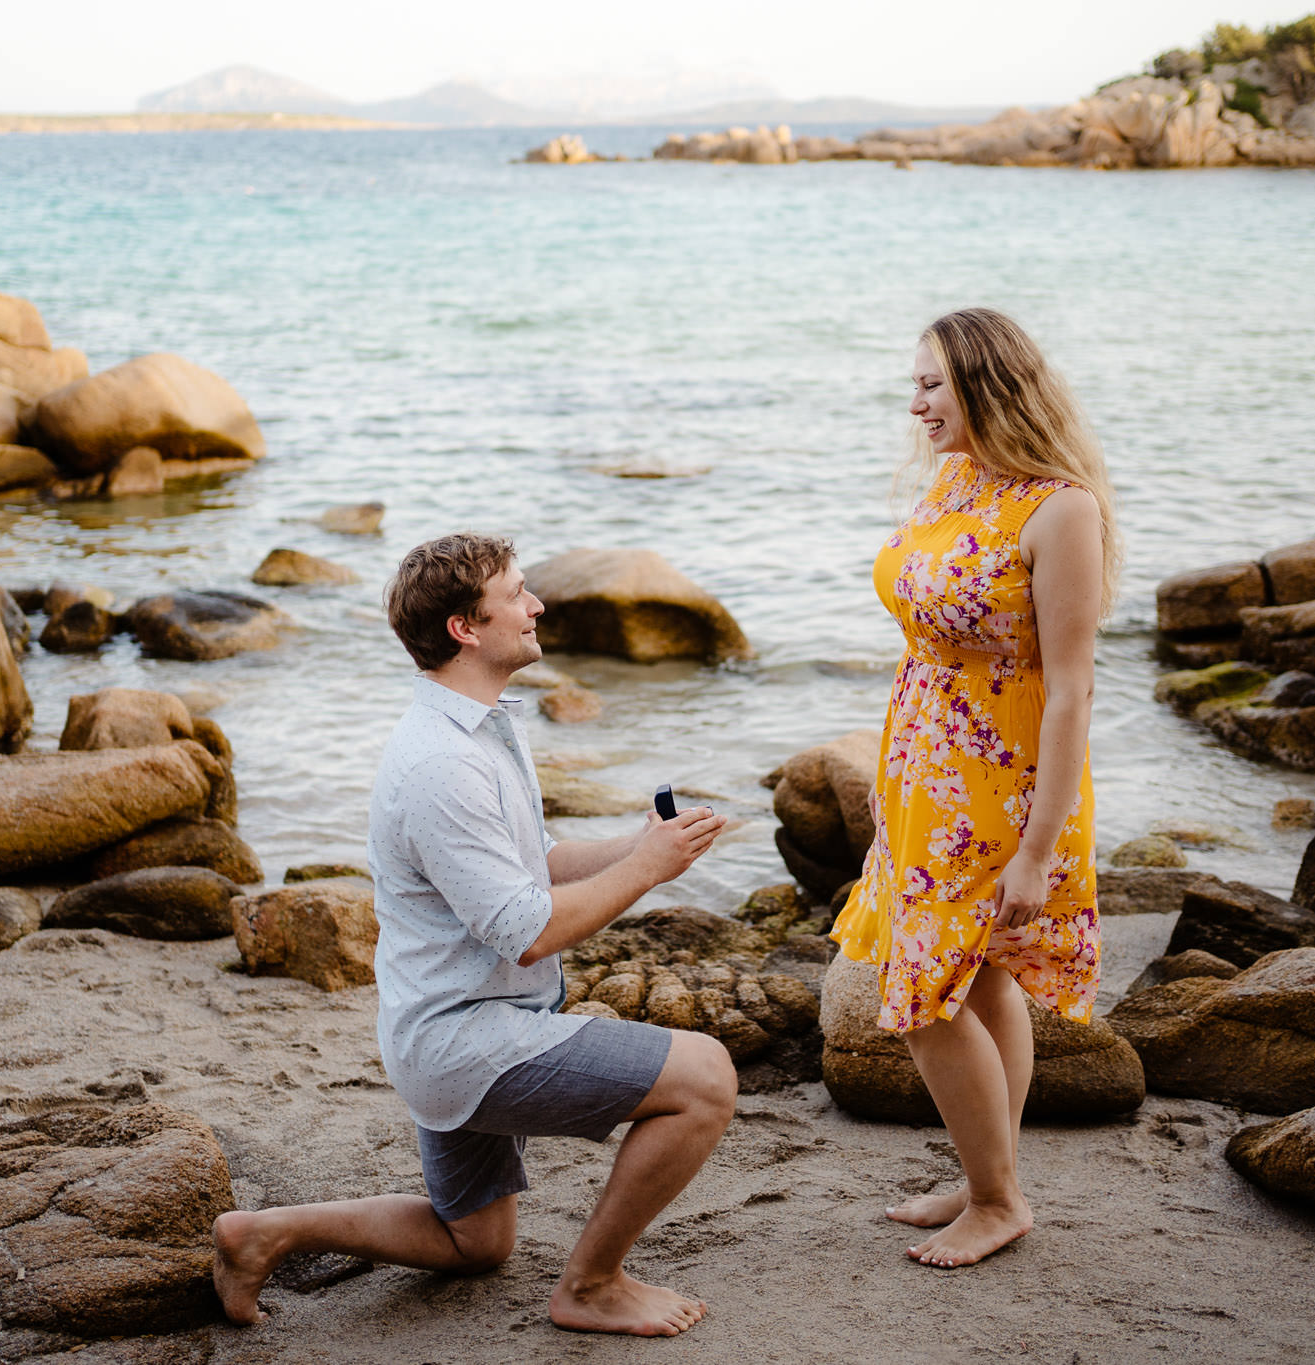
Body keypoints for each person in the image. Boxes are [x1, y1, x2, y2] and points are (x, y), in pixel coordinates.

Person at [213, 532, 737, 1336]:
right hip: (464, 1038)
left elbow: (538, 861)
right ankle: (591, 1285)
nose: (537, 605)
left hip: (464, 1021)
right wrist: (648, 873)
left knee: (476, 1242)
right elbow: (526, 931)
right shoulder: (441, 765)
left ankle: (266, 1232)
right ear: (466, 626)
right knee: (705, 1075)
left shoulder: (486, 727)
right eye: (518, 593)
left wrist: (641, 846)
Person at [829, 307, 1119, 1269]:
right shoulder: (956, 482)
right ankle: (985, 1171)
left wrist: (1039, 850)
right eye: (913, 384)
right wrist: (891, 776)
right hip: (924, 774)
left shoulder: (1061, 509)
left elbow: (1072, 690)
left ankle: (998, 1202)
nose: (912, 403)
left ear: (986, 384)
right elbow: (927, 651)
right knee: (981, 973)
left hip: (1005, 790)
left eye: (929, 385)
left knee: (920, 997)